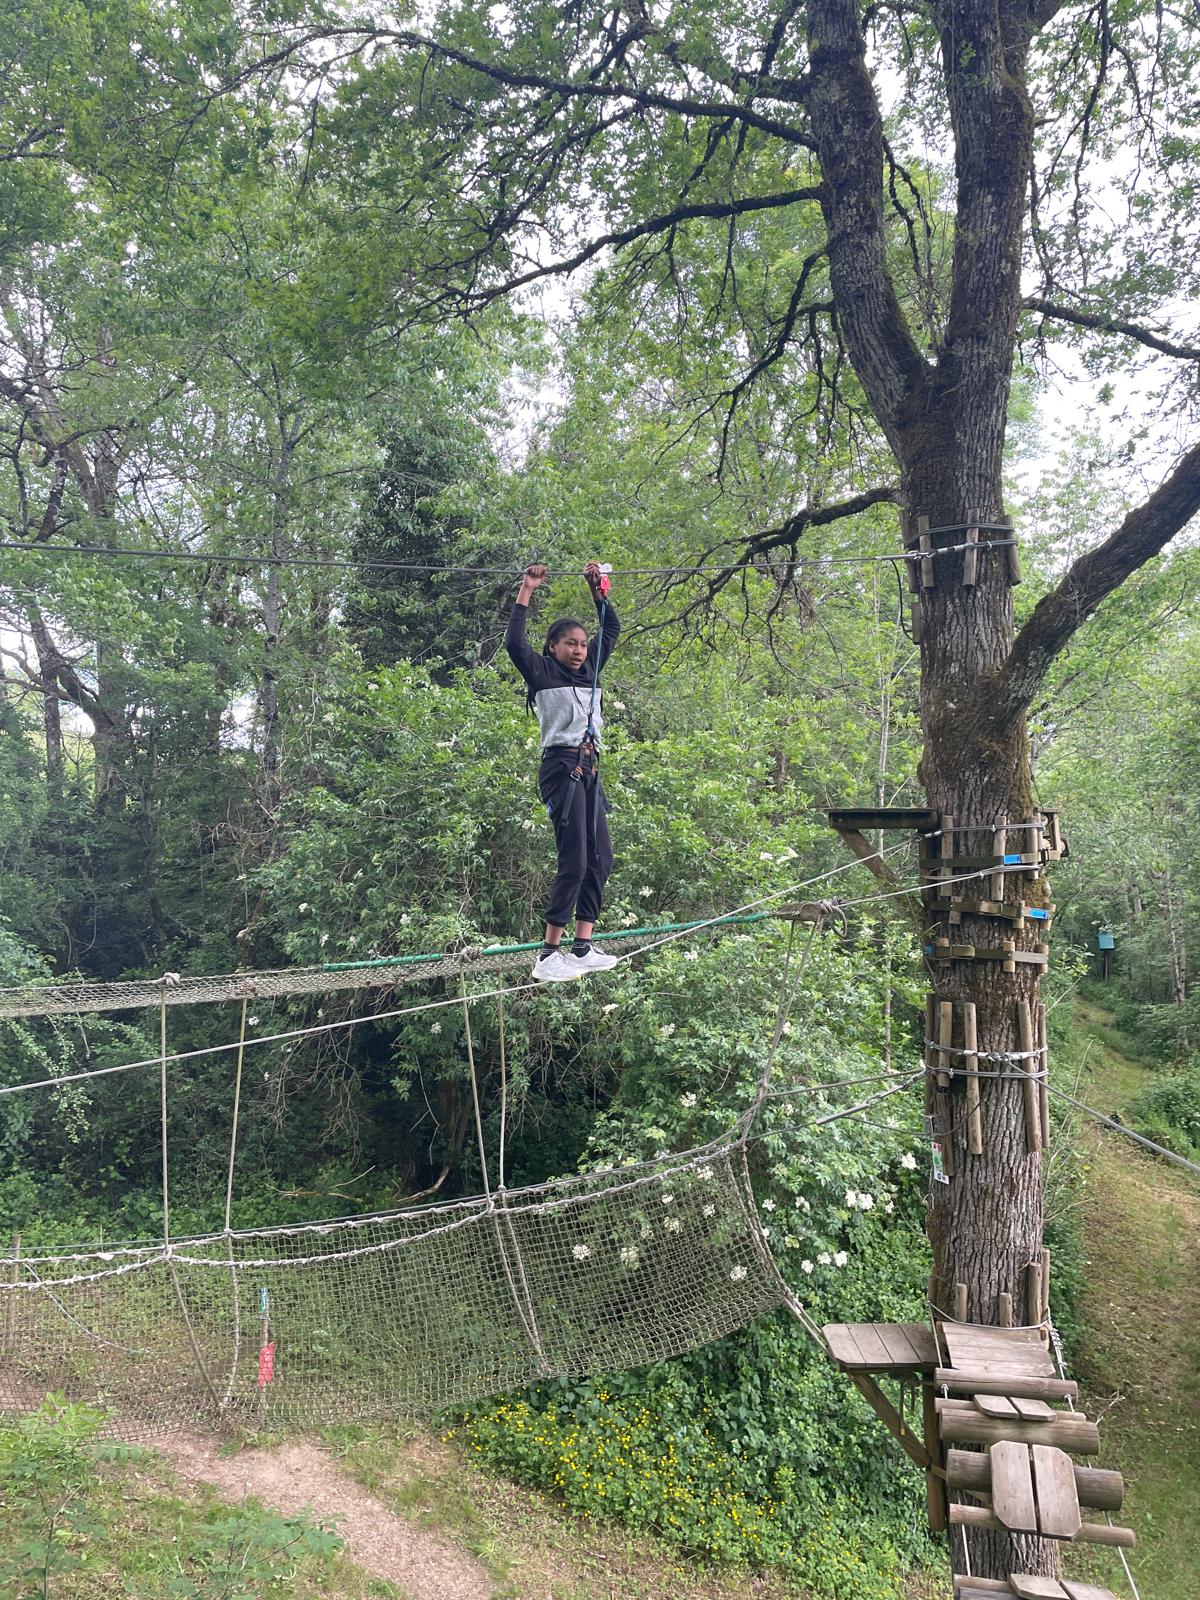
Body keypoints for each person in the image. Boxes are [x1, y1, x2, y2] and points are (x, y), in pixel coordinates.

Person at [506, 562, 621, 982]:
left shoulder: (591, 672)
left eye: (583, 645)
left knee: (601, 858)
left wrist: (598, 591)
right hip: (562, 768)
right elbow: (514, 643)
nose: (579, 650)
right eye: (570, 644)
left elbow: (611, 629)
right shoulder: (541, 672)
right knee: (574, 859)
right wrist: (527, 589)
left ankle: (582, 946)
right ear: (552, 647)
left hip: (590, 768)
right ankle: (548, 954)